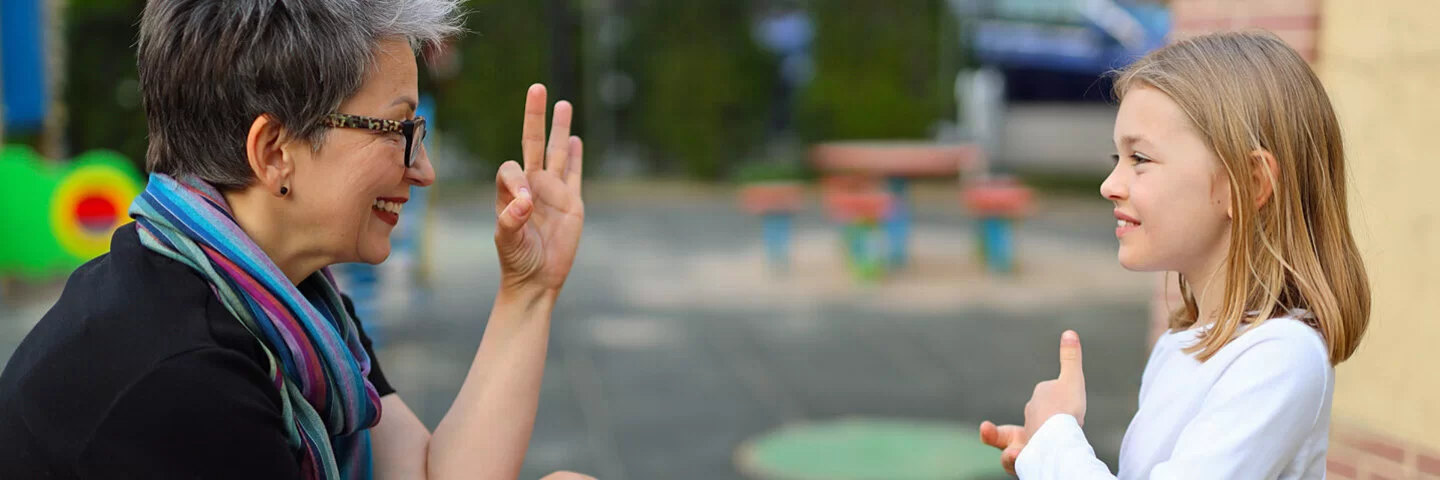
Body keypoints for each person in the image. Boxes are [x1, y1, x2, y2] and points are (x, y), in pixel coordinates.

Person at [0, 1, 592, 479]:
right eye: (400, 130)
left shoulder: (284, 295)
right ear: (274, 151)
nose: (424, 169)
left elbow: (428, 472)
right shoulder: (179, 380)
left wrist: (529, 288)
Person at [980, 30, 1371, 479]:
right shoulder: (1182, 344)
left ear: (1250, 184)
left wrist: (1054, 441)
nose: (1110, 184)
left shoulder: (1280, 358)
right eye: (1116, 157)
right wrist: (1045, 454)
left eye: (1140, 158)